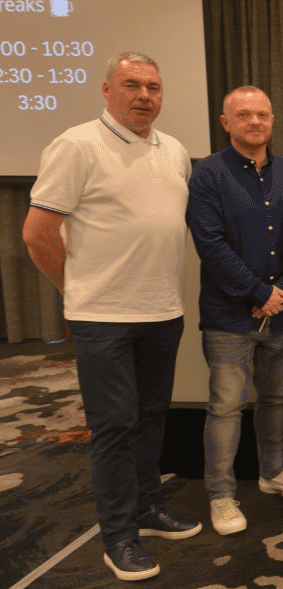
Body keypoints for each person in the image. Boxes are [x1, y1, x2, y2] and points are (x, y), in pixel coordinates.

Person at [23, 52, 199, 581]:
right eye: (131, 85)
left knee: (149, 417)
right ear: (105, 90)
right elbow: (37, 233)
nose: (145, 95)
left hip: (163, 312)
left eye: (154, 85)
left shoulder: (175, 150)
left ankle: (146, 509)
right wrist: (73, 292)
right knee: (114, 428)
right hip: (102, 319)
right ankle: (117, 535)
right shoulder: (77, 144)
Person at [185, 86, 283, 536]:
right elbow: (211, 245)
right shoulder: (207, 175)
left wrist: (282, 288)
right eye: (244, 115)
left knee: (276, 399)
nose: (255, 122)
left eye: (262, 114)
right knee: (226, 407)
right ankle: (221, 496)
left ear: (273, 119)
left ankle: (272, 473)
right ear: (226, 122)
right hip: (229, 317)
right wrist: (258, 291)